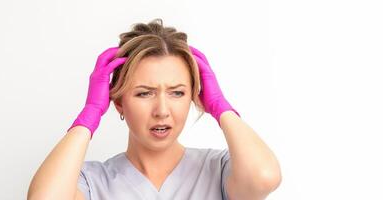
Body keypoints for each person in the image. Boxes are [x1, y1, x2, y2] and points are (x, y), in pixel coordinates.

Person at [27, 19, 282, 200]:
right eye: (144, 93)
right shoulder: (92, 182)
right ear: (118, 102)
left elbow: (265, 176)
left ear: (195, 97)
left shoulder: (219, 169)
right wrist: (90, 114)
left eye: (177, 92)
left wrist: (220, 106)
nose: (162, 110)